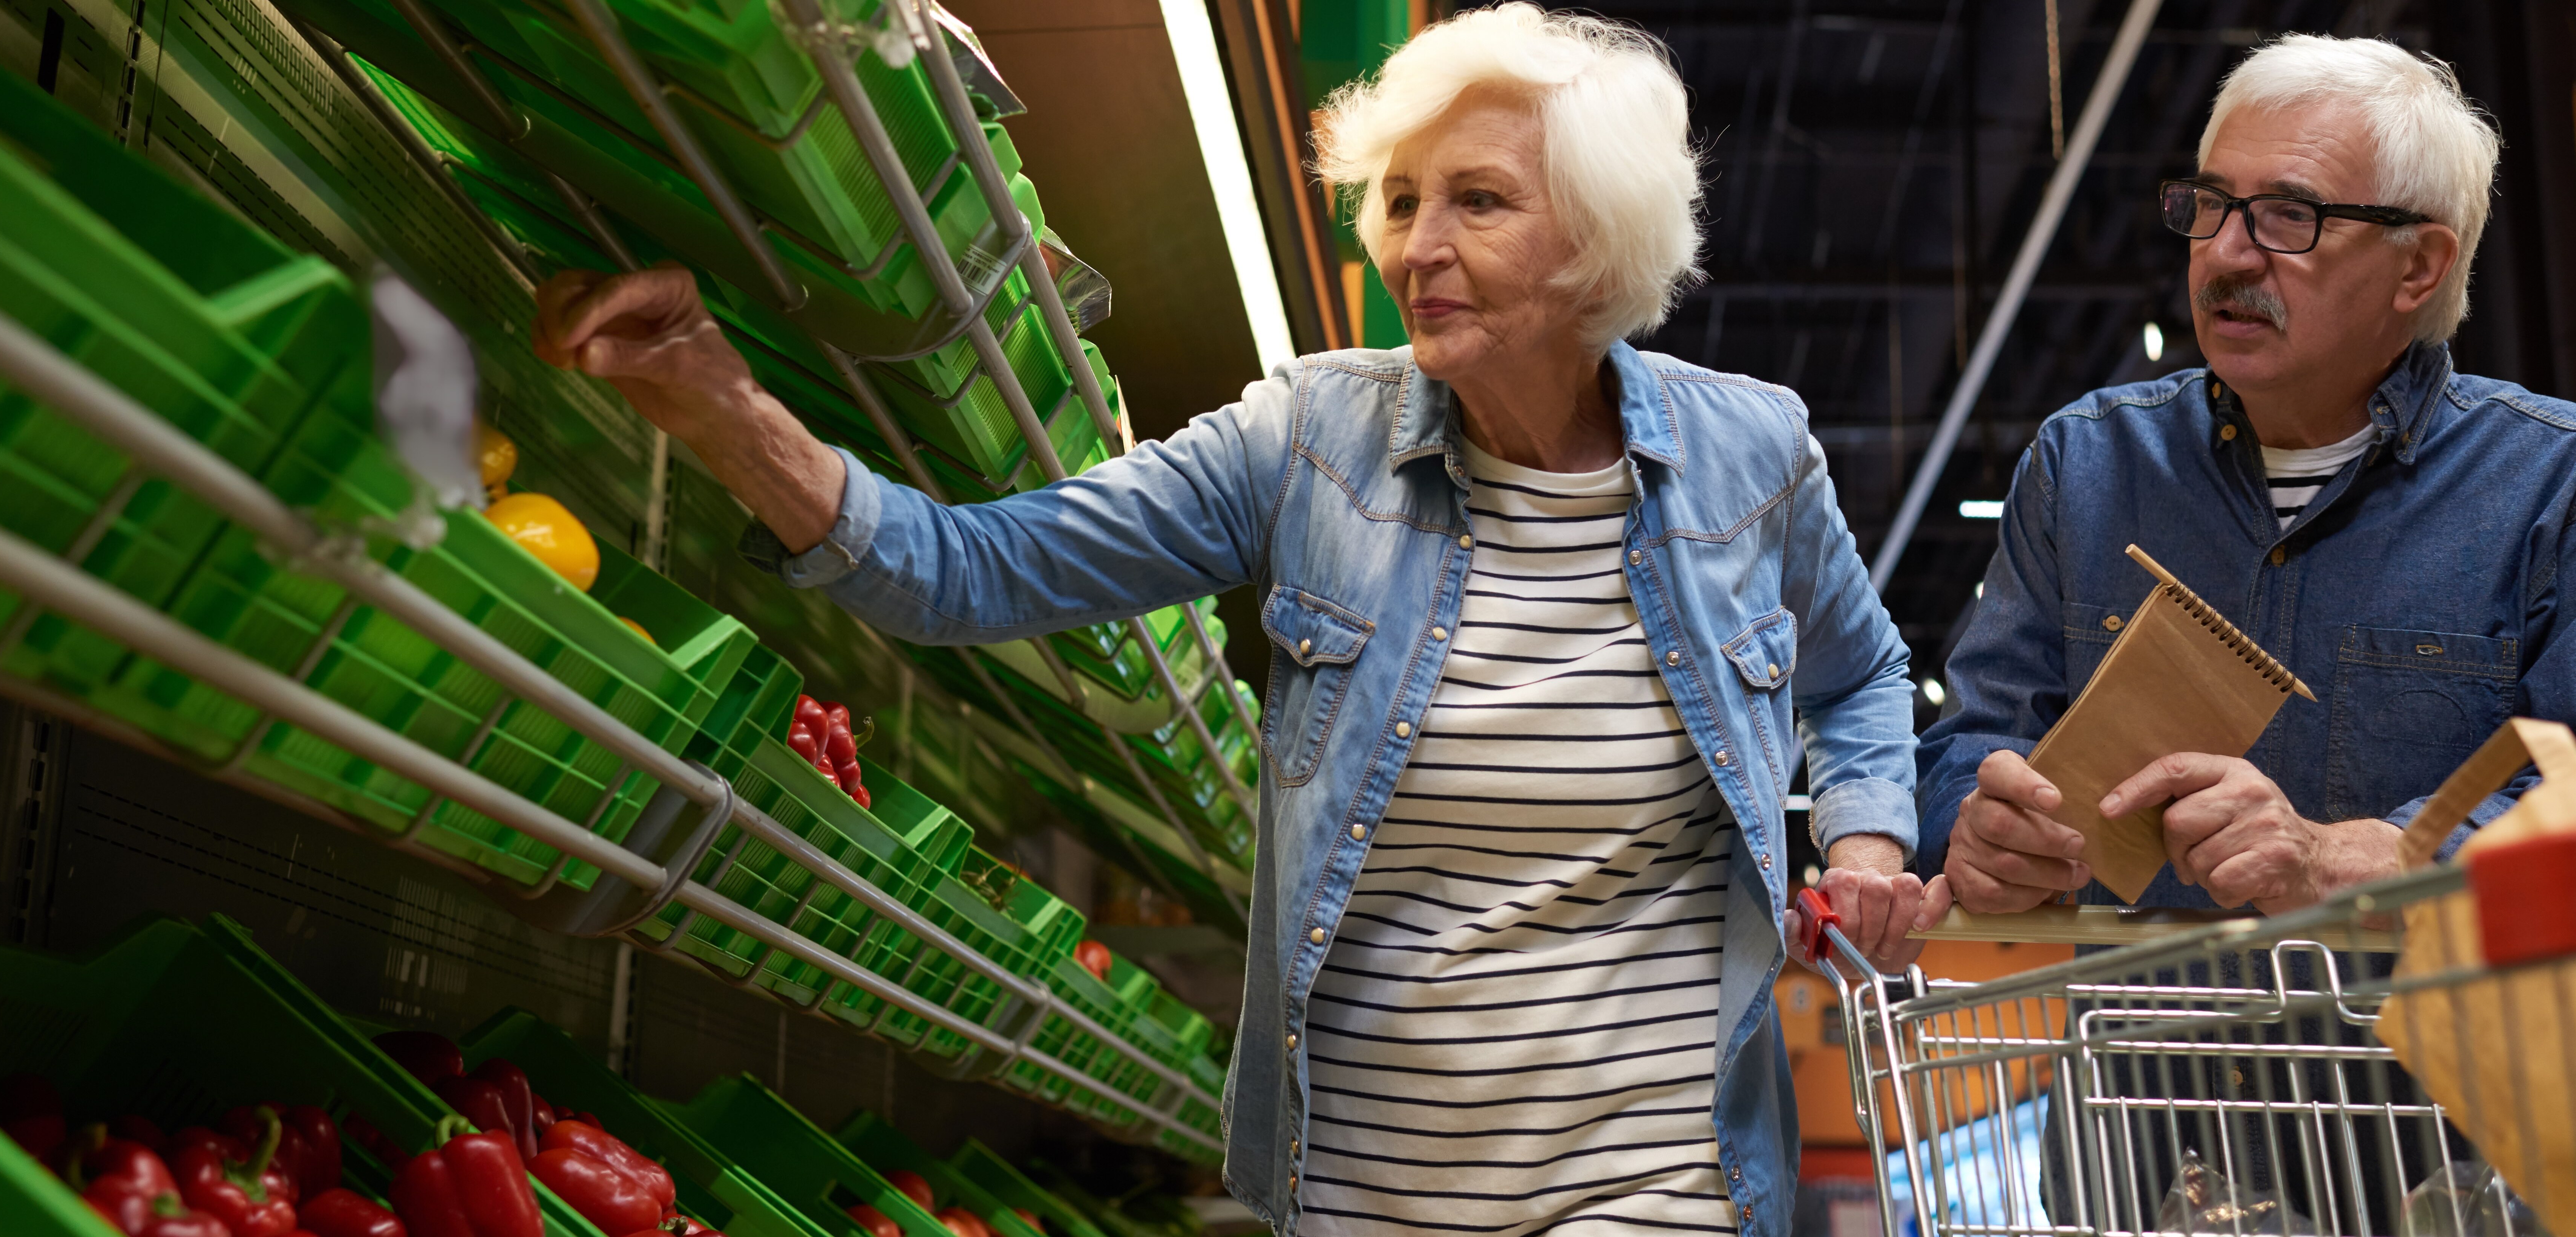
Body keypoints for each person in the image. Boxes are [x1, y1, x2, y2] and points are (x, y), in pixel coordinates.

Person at [529, 6, 1929, 1232]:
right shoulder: (1311, 437)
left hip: (1658, 1165)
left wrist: (1865, 830)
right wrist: (721, 405)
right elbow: (974, 571)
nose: (1417, 247)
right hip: (1374, 1176)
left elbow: (1862, 673)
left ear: (1598, 241)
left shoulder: (1752, 454)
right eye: (1398, 200)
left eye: (1478, 203)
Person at [1887, 33, 2576, 1220]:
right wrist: (1979, 821)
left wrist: (2358, 858)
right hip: (2148, 1137)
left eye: (2287, 218)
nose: (2224, 254)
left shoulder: (2560, 484)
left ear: (2420, 266)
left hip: (2453, 1141)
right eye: (2211, 205)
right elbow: (1974, 742)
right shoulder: (2087, 465)